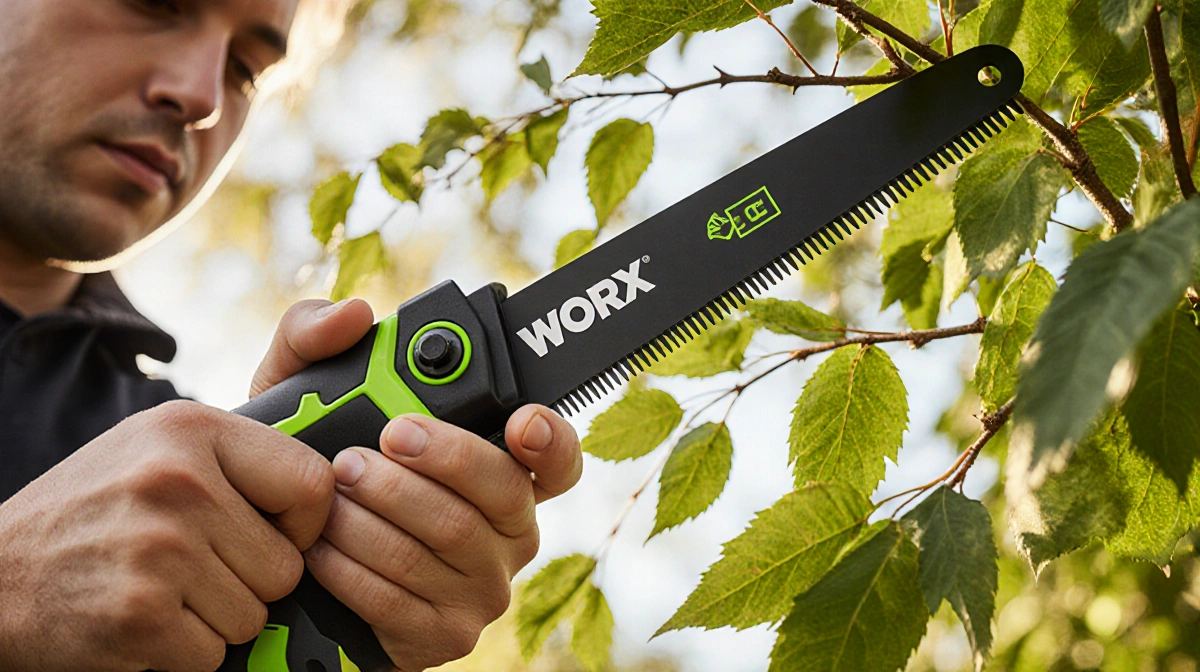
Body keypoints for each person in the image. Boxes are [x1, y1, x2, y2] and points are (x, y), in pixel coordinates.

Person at [0, 0, 584, 670]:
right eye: (153, 5)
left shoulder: (161, 471)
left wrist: (312, 588)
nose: (199, 95)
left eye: (246, 71)